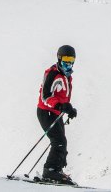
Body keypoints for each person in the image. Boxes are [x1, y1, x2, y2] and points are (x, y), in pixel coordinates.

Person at [34, 45, 78, 185]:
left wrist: (68, 109)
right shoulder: (53, 73)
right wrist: (59, 105)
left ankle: (56, 170)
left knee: (62, 141)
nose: (68, 63)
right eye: (66, 59)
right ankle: (50, 171)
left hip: (55, 113)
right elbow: (45, 96)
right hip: (46, 111)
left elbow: (62, 97)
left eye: (71, 60)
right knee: (58, 141)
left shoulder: (66, 75)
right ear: (59, 58)